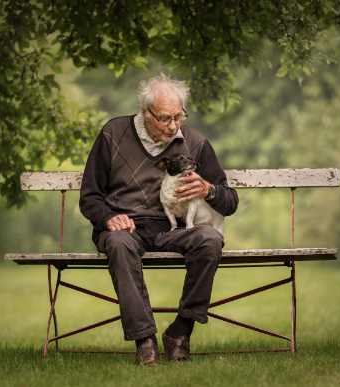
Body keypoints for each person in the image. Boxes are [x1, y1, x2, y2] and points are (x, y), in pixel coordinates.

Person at [79, 73, 239, 365]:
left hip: (172, 229)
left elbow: (229, 202)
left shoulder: (195, 142)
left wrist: (209, 190)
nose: (174, 126)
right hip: (125, 229)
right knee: (118, 242)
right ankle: (145, 341)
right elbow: (90, 196)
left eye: (179, 117)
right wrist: (108, 218)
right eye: (165, 118)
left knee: (210, 239)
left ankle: (180, 332)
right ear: (145, 111)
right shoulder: (113, 133)